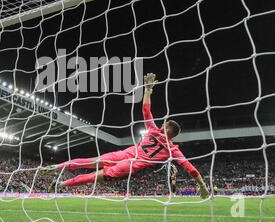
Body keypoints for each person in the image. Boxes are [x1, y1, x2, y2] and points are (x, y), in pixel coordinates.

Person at [43, 73, 210, 199]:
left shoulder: (153, 130)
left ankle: (55, 168)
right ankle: (60, 183)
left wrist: (148, 90)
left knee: (90, 161)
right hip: (129, 165)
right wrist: (202, 186)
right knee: (93, 177)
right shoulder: (172, 150)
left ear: (167, 130)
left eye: (164, 125)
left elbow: (146, 110)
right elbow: (190, 168)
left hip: (122, 155)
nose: (161, 124)